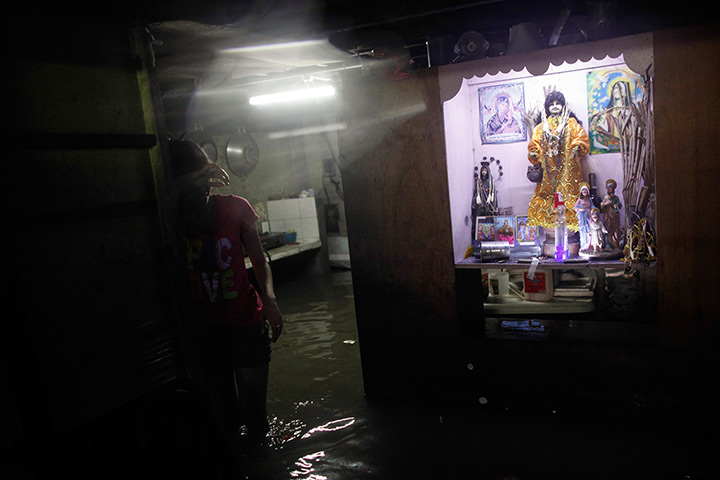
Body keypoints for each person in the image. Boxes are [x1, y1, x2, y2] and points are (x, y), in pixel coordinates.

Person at [169, 139, 283, 449]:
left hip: (246, 321)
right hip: (207, 330)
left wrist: (270, 301)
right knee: (225, 420)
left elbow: (259, 261)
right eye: (196, 183)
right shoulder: (171, 217)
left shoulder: (236, 208)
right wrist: (192, 177)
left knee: (255, 419)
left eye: (206, 183)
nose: (203, 192)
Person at [527, 90, 590, 232]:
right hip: (548, 168)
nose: (555, 107)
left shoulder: (571, 123)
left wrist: (578, 146)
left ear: (563, 105)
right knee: (545, 194)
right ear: (547, 107)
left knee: (569, 193)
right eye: (552, 104)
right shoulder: (541, 127)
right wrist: (534, 153)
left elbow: (581, 138)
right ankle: (549, 226)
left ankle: (571, 224)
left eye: (558, 104)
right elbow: (534, 143)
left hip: (568, 167)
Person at [600, 178, 623, 249]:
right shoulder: (605, 198)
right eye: (607, 188)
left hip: (614, 216)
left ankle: (616, 245)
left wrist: (616, 205)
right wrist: (604, 204)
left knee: (615, 230)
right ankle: (608, 245)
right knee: (608, 229)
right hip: (608, 216)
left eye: (610, 188)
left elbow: (620, 205)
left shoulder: (615, 198)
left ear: (613, 189)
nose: (608, 190)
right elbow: (602, 207)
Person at [574, 182, 593, 250]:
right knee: (583, 230)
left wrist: (594, 210)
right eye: (583, 191)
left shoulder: (589, 199)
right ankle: (583, 246)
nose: (584, 192)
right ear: (581, 192)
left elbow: (592, 206)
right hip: (582, 216)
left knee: (589, 229)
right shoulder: (580, 199)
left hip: (588, 214)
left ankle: (589, 246)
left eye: (585, 191)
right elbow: (575, 206)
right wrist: (580, 208)